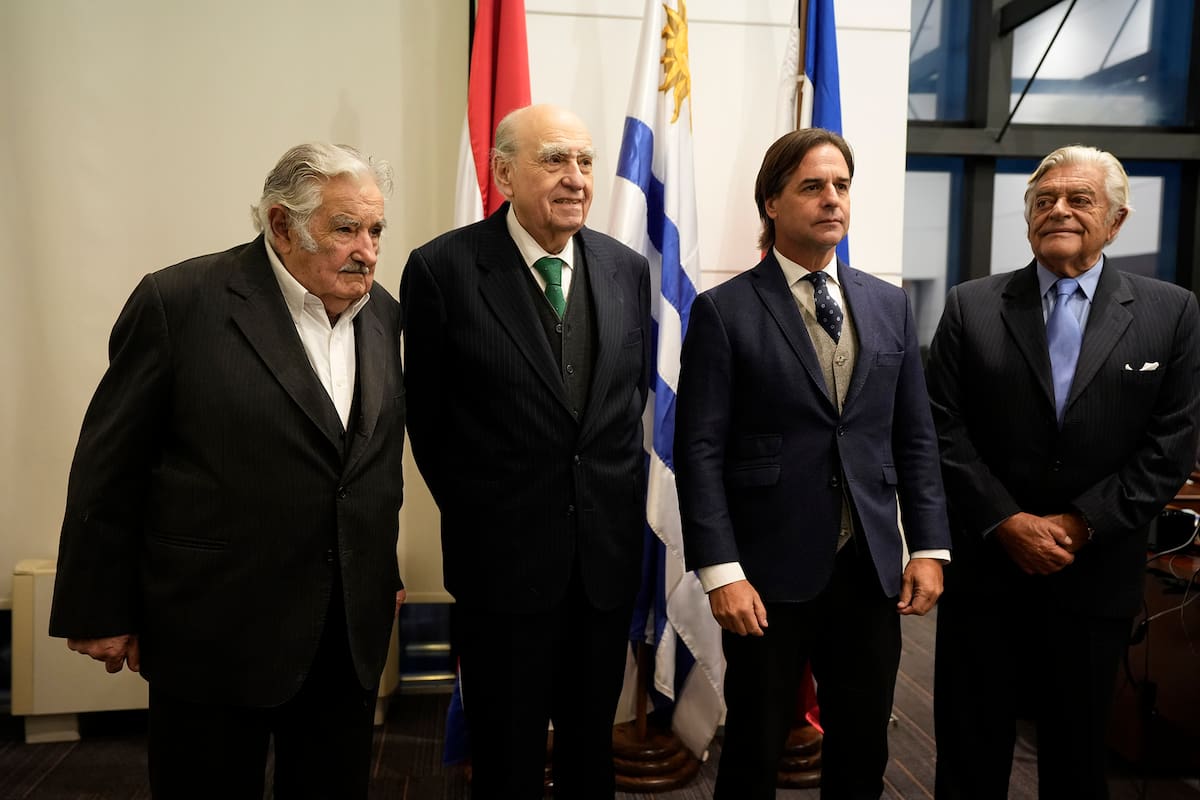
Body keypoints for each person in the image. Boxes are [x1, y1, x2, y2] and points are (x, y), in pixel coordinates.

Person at [49, 143, 407, 799]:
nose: (368, 250)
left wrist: (385, 568)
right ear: (280, 224)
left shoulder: (381, 312)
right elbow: (109, 462)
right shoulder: (180, 301)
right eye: (346, 229)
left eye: (376, 229)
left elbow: (369, 466)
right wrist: (98, 605)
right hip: (213, 630)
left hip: (344, 631)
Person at [674, 128, 951, 799]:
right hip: (765, 577)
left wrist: (931, 547)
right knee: (755, 748)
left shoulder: (889, 305)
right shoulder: (724, 311)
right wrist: (720, 573)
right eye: (812, 186)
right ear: (771, 201)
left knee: (862, 747)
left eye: (842, 186)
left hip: (870, 570)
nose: (832, 199)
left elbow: (914, 437)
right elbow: (700, 450)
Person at [927, 145, 1200, 799]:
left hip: (1094, 577)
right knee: (970, 754)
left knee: (1077, 763)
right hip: (987, 574)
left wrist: (1081, 524)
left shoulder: (1172, 313)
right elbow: (939, 429)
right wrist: (1005, 520)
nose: (1059, 210)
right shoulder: (971, 306)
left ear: (1117, 219)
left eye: (1080, 199)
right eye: (1044, 200)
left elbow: (1172, 443)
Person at [399, 104, 651, 798]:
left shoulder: (625, 268)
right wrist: (492, 517)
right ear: (505, 172)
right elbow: (428, 423)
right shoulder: (442, 270)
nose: (576, 178)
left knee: (587, 756)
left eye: (586, 161)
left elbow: (622, 409)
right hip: (501, 569)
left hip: (602, 567)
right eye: (555, 160)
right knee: (506, 758)